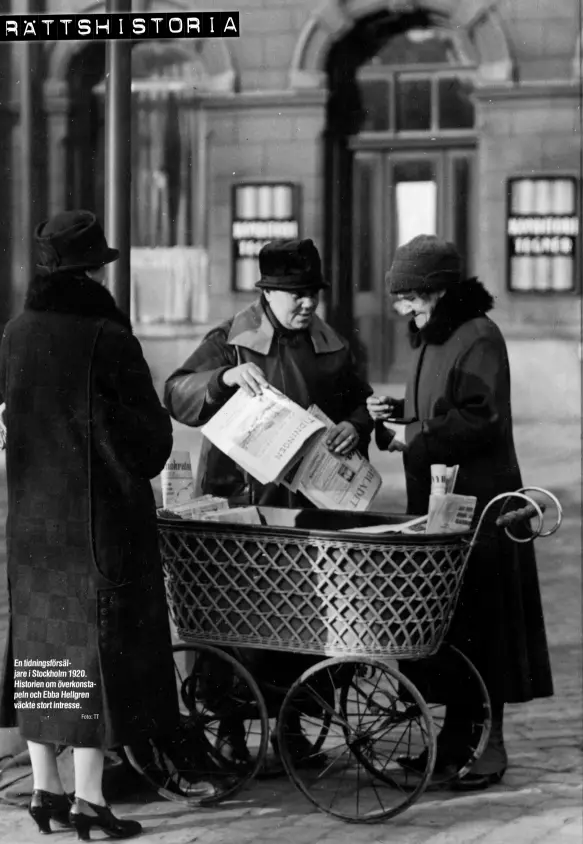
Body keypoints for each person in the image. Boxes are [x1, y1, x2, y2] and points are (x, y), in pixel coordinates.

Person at [0, 210, 178, 839]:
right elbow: (149, 443)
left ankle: (47, 790)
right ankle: (90, 803)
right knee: (96, 657)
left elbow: (0, 417)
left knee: (43, 651)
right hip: (101, 527)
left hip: (32, 528)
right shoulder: (107, 336)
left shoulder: (14, 333)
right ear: (95, 270)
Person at [164, 237, 374, 762]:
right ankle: (229, 730)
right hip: (236, 499)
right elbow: (176, 391)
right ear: (267, 294)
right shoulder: (231, 340)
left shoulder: (332, 346)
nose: (307, 304)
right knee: (229, 620)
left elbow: (359, 403)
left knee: (300, 618)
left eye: (313, 294)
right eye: (295, 294)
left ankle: (293, 728)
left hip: (305, 505)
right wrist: (224, 377)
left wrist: (354, 424)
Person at [367, 234, 553, 790]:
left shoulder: (479, 336)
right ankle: (452, 741)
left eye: (410, 298)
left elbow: (481, 419)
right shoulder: (435, 335)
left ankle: (491, 747)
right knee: (450, 628)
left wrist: (413, 440)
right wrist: (399, 411)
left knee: (487, 628)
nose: (403, 309)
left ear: (439, 291)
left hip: (483, 507)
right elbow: (442, 405)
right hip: (442, 503)